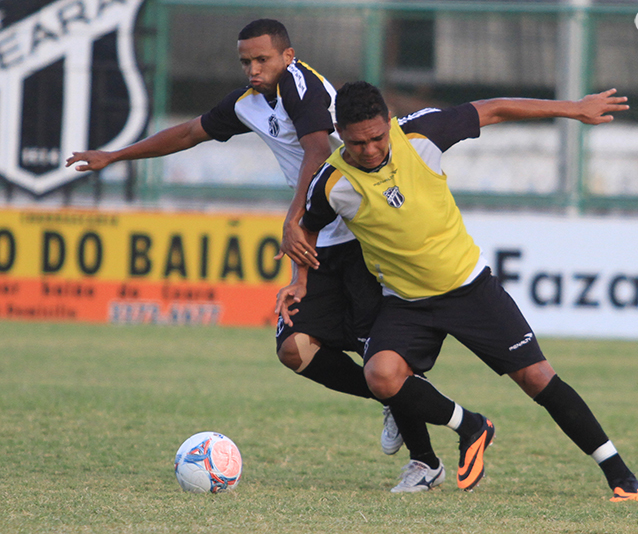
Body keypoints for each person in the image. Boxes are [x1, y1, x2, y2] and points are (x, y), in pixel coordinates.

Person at [283, 81, 638, 501]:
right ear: (339, 132)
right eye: (357, 142)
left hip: (470, 289)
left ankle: (618, 472)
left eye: (378, 137)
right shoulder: (331, 182)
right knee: (381, 376)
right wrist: (300, 280)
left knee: (537, 378)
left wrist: (574, 109)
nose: (369, 149)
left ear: (388, 122)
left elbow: (495, 107)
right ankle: (471, 425)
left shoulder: (421, 133)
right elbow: (306, 230)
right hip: (407, 305)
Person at [65, 19, 404, 457]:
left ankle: (426, 437)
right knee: (294, 349)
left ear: (288, 56)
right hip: (318, 235)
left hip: (360, 229)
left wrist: (294, 217)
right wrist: (114, 155)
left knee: (373, 345)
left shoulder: (302, 86)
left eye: (262, 59)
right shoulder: (248, 104)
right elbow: (189, 132)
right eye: (246, 61)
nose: (253, 69)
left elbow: (319, 151)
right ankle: (393, 398)